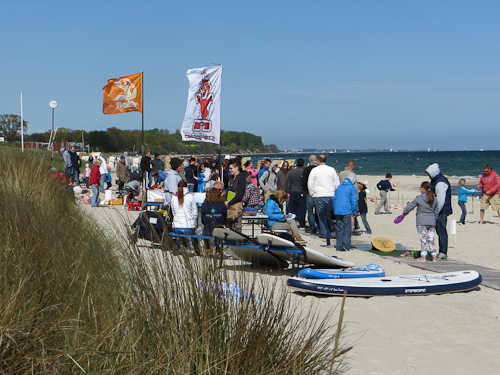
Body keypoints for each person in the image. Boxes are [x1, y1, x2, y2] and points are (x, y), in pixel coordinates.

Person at [402, 181, 440, 262]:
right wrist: (434, 219)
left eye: (421, 187)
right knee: (431, 239)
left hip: (421, 221)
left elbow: (410, 206)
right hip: (432, 221)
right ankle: (434, 256)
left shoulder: (419, 198)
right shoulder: (434, 198)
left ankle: (423, 256)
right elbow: (436, 211)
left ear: (423, 189)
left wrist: (404, 214)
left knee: (423, 239)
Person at [307, 154, 340, 244]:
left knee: (321, 215)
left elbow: (310, 183)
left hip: (319, 194)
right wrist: (335, 193)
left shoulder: (315, 170)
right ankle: (331, 231)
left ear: (318, 161)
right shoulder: (331, 170)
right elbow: (337, 183)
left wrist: (312, 193)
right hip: (330, 194)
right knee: (330, 214)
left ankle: (325, 232)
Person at [425, 163, 452, 260]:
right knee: (438, 231)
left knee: (441, 231)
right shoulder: (435, 180)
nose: (428, 176)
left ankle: (443, 253)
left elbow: (441, 200)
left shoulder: (441, 183)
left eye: (429, 174)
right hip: (437, 210)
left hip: (442, 210)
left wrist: (436, 212)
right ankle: (439, 252)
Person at [170, 180, 199, 254]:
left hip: (176, 226)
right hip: (189, 226)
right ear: (187, 187)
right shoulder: (190, 197)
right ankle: (197, 251)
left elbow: (173, 212)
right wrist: (193, 222)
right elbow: (195, 213)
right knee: (194, 233)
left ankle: (177, 248)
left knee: (179, 232)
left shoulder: (173, 197)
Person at [332, 173, 358, 251]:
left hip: (337, 210)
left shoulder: (340, 186)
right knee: (347, 229)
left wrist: (334, 208)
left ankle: (339, 245)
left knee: (339, 228)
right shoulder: (352, 187)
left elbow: (334, 199)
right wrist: (355, 212)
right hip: (346, 210)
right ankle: (346, 245)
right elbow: (354, 201)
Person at [226, 161, 246, 232]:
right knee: (229, 227)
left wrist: (229, 203)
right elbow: (228, 191)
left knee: (236, 228)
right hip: (229, 203)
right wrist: (226, 201)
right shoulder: (231, 178)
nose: (230, 170)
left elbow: (239, 195)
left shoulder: (241, 178)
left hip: (236, 205)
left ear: (236, 168)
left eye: (231, 168)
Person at [286, 158, 307, 228]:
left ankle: (291, 222)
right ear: (303, 164)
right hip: (301, 191)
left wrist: (288, 191)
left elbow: (289, 184)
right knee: (302, 208)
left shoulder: (291, 172)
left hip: (293, 191)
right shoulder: (304, 172)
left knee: (292, 209)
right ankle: (302, 223)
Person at [301, 155, 319, 234]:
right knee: (319, 210)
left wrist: (305, 190)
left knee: (310, 210)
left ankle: (312, 227)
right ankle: (320, 226)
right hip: (319, 192)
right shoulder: (319, 169)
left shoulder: (307, 169)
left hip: (309, 192)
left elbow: (303, 181)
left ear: (309, 161)